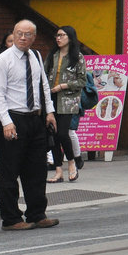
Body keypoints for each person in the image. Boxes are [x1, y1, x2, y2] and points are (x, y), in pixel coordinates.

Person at [0, 19, 59, 231]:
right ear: (13, 33)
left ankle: (37, 214)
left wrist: (49, 112)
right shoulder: (2, 61)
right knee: (9, 171)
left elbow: (44, 86)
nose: (22, 37)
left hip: (34, 118)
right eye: (19, 33)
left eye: (27, 34)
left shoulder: (36, 56)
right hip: (12, 118)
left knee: (37, 169)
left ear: (34, 37)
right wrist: (6, 122)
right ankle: (11, 219)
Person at [45, 26, 86, 184]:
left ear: (70, 37)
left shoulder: (77, 57)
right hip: (51, 98)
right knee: (53, 135)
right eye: (57, 35)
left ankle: (71, 162)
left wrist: (63, 86)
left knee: (63, 133)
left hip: (68, 100)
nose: (58, 38)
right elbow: (44, 75)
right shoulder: (52, 56)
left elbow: (81, 81)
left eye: (62, 35)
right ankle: (58, 171)